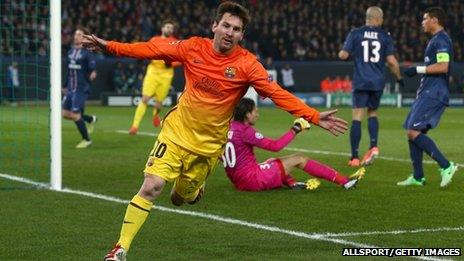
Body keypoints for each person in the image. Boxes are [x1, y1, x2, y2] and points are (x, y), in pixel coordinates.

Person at [82, 2, 347, 260]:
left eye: (236, 29)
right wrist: (110, 47)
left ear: (242, 35)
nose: (230, 32)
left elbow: (276, 94)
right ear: (214, 26)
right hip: (176, 135)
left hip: (208, 147)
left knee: (180, 199)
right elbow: (152, 49)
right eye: (226, 26)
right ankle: (120, 250)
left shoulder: (247, 64)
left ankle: (193, 190)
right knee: (152, 186)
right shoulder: (192, 47)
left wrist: (311, 115)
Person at [223, 98, 365, 192]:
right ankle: (345, 181)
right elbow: (275, 146)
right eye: (255, 111)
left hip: (238, 181)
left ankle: (292, 184)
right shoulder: (246, 131)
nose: (257, 114)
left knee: (272, 161)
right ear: (247, 115)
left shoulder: (229, 127)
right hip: (252, 180)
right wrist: (295, 129)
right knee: (299, 158)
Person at [398, 7, 457, 187]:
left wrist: (417, 69)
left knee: (413, 131)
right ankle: (418, 177)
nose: (422, 22)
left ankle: (447, 166)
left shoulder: (441, 40)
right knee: (411, 130)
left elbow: (443, 66)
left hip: (435, 93)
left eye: (425, 19)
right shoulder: (434, 40)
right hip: (427, 92)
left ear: (434, 20)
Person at [339, 6, 404, 167]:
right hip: (377, 81)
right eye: (381, 19)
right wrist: (399, 77)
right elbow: (391, 61)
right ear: (376, 19)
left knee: (357, 116)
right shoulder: (384, 35)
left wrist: (349, 54)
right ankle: (373, 146)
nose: (382, 22)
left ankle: (354, 157)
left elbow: (343, 55)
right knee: (373, 112)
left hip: (361, 80)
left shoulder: (356, 33)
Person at [128, 19, 181, 135]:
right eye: (167, 27)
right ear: (162, 28)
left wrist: (171, 63)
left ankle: (155, 115)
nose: (169, 29)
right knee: (145, 99)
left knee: (158, 103)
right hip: (153, 72)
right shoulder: (154, 40)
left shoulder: (176, 42)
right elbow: (146, 51)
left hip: (167, 74)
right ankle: (134, 126)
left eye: (171, 28)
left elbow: (181, 59)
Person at [62, 27, 98, 149]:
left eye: (80, 34)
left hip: (81, 89)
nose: (76, 36)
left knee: (75, 114)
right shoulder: (71, 51)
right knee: (64, 113)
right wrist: (64, 85)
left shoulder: (87, 53)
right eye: (76, 34)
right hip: (71, 89)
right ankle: (90, 119)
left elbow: (92, 68)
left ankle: (87, 140)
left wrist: (93, 73)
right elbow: (69, 70)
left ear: (84, 38)